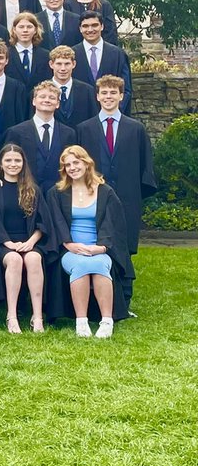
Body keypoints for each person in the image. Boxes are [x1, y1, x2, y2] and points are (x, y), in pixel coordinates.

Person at [76, 75, 156, 307]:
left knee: (123, 244)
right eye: (104, 93)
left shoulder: (136, 129)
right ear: (97, 96)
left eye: (113, 93)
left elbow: (145, 166)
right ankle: (93, 300)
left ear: (122, 96)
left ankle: (125, 299)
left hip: (127, 196)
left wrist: (136, 194)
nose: (108, 97)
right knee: (97, 241)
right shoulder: (84, 129)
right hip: (94, 196)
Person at [44, 145, 131, 337]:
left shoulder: (105, 191)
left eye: (76, 162)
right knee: (81, 265)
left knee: (100, 265)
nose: (72, 167)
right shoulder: (56, 193)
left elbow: (112, 223)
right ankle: (81, 322)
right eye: (67, 165)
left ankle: (106, 321)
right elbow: (56, 222)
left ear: (86, 162)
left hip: (100, 249)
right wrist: (69, 244)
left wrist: (101, 247)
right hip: (70, 250)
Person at [0, 144, 51, 334]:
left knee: (34, 258)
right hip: (1, 244)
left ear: (23, 163)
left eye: (17, 160)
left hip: (29, 241)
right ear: (1, 164)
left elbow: (42, 223)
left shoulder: (32, 189)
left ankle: (37, 317)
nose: (13, 164)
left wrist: (31, 242)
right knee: (14, 259)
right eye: (8, 160)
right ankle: (11, 316)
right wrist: (8, 244)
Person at [5, 82, 78, 191]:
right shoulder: (16, 132)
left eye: (52, 98)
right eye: (42, 96)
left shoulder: (68, 133)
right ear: (34, 101)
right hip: (25, 191)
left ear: (58, 104)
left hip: (60, 192)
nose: (47, 100)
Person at [73, 12, 133, 112]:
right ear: (80, 29)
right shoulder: (72, 54)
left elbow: (126, 89)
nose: (90, 30)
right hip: (80, 115)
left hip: (111, 114)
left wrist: (114, 110)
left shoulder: (118, 54)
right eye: (85, 26)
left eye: (94, 25)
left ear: (102, 26)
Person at [47, 46, 98, 128]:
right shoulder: (41, 92)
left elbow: (94, 121)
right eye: (59, 64)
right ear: (51, 64)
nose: (63, 68)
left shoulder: (87, 91)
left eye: (67, 64)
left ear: (74, 64)